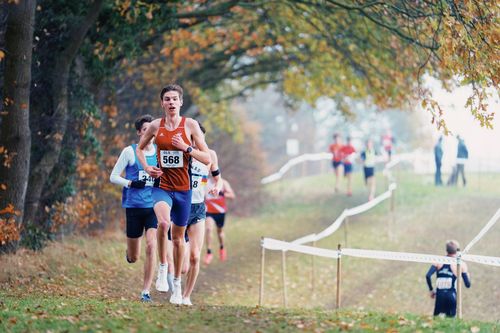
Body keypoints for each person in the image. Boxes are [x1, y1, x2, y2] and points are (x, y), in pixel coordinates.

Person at [136, 84, 211, 305]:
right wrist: (148, 168)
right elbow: (140, 149)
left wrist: (186, 148)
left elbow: (207, 158)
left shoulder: (190, 125)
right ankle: (162, 269)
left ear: (180, 102)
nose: (170, 102)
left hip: (184, 189)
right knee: (163, 223)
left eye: (174, 99)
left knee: (178, 240)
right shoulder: (155, 126)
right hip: (162, 185)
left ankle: (177, 284)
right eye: (167, 99)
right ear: (162, 103)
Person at [109, 115, 158, 302]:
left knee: (152, 245)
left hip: (153, 206)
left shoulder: (160, 152)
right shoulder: (129, 152)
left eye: (152, 130)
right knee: (135, 256)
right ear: (139, 132)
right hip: (134, 207)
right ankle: (129, 254)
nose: (149, 134)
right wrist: (130, 183)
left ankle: (145, 291)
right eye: (145, 130)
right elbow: (113, 176)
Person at [179, 122, 222, 306]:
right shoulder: (182, 152)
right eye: (193, 138)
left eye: (199, 138)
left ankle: (186, 296)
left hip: (198, 207)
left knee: (196, 256)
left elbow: (217, 179)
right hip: (180, 206)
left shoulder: (210, 155)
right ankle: (174, 282)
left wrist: (217, 188)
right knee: (183, 267)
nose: (196, 142)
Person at [425, 240, 471, 317]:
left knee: (436, 321)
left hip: (439, 296)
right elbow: (468, 285)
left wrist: (431, 290)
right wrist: (467, 276)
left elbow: (428, 275)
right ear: (457, 251)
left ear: (446, 250)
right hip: (452, 296)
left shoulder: (438, 261)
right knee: (451, 323)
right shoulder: (461, 264)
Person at [204, 177, 235, 264]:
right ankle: (209, 253)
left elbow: (232, 196)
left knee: (220, 233)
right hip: (209, 211)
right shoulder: (205, 182)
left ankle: (222, 247)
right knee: (209, 229)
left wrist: (222, 193)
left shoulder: (224, 183)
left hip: (220, 211)